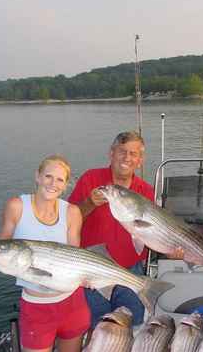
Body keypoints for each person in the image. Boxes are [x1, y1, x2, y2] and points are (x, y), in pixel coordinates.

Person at [0, 154, 89, 352]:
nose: (52, 183)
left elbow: (76, 256)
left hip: (73, 303)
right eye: (48, 176)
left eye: (60, 179)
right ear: (37, 176)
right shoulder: (17, 206)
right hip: (36, 308)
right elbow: (1, 247)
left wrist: (87, 277)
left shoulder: (72, 212)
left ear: (65, 185)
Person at [67, 131, 153, 329]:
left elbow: (150, 232)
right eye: (122, 151)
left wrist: (174, 249)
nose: (127, 158)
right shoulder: (91, 179)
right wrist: (89, 203)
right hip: (93, 271)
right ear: (111, 153)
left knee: (130, 329)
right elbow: (67, 220)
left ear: (140, 160)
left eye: (133, 154)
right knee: (97, 330)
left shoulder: (146, 190)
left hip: (131, 271)